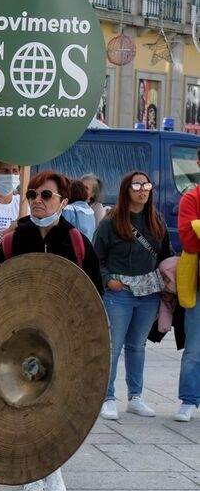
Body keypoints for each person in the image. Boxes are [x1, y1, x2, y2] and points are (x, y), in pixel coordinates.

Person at [0, 171, 102, 491]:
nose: (37, 201)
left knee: (57, 403)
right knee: (27, 401)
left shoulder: (76, 241)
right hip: (20, 337)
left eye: (46, 195)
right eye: (32, 194)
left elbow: (93, 293)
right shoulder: (13, 240)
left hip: (64, 338)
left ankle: (52, 467)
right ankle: (32, 474)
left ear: (63, 202)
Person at [93, 171, 172, 421]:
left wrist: (168, 286)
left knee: (137, 346)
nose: (143, 190)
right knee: (113, 346)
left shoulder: (156, 221)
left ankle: (135, 397)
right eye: (137, 186)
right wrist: (109, 280)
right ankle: (107, 398)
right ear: (126, 189)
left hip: (149, 294)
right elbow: (96, 258)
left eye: (146, 185)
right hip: (120, 294)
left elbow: (166, 255)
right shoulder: (110, 222)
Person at [176, 183, 200, 423]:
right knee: (194, 348)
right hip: (197, 284)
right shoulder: (191, 198)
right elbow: (189, 241)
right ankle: (189, 399)